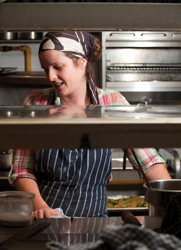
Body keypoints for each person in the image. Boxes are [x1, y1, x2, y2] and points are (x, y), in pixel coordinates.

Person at [9, 31, 171, 219]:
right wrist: (41, 208)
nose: (51, 77)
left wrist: (173, 200)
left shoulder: (111, 102)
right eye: (46, 69)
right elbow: (22, 169)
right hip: (44, 222)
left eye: (57, 67)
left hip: (94, 224)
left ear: (81, 62)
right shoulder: (36, 103)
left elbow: (148, 161)